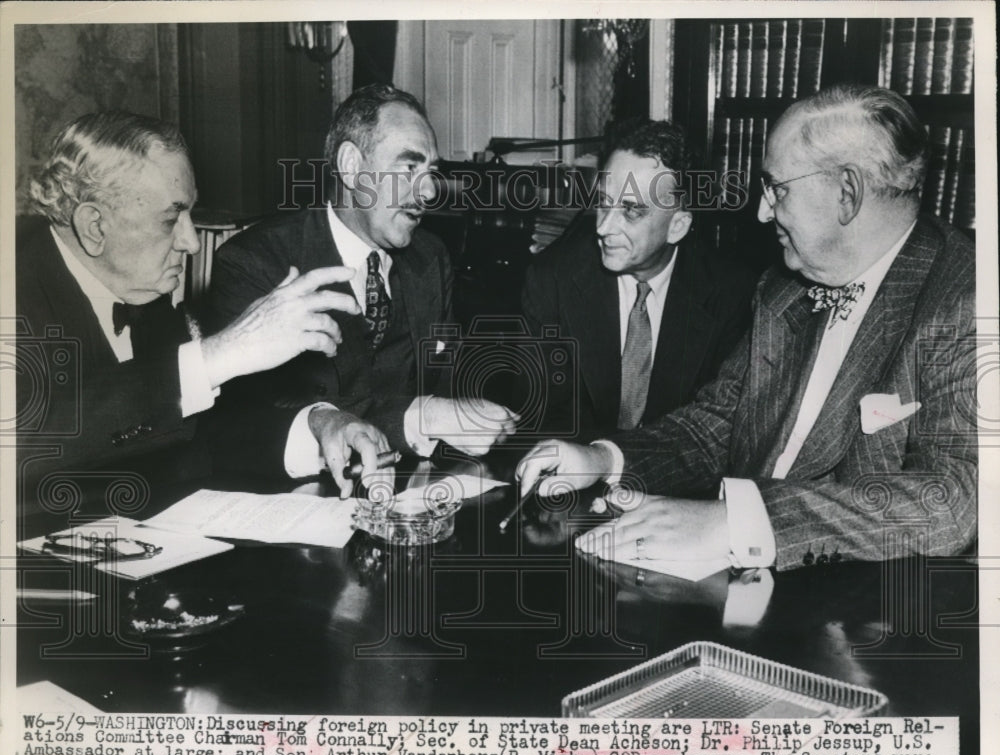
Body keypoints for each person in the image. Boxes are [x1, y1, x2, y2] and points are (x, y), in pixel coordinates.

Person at [517, 84, 977, 571]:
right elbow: (714, 425)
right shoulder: (784, 288)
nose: (761, 211)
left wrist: (736, 522)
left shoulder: (965, 300)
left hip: (866, 612)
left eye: (776, 189)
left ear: (847, 193)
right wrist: (604, 459)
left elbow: (952, 499)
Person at [16, 110, 390, 504]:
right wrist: (218, 355)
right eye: (170, 219)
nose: (192, 243)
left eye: (190, 213)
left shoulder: (142, 289)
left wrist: (318, 427)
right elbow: (31, 435)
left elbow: (198, 437)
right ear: (94, 226)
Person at [206, 84, 518, 474]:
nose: (428, 191)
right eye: (409, 167)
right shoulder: (256, 262)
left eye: (431, 172)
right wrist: (423, 416)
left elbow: (444, 394)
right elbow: (245, 424)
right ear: (352, 166)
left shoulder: (431, 257)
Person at [521, 120, 756, 440]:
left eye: (631, 210)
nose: (603, 228)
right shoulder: (552, 280)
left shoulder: (732, 296)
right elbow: (543, 418)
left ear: (677, 226)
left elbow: (717, 433)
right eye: (604, 202)